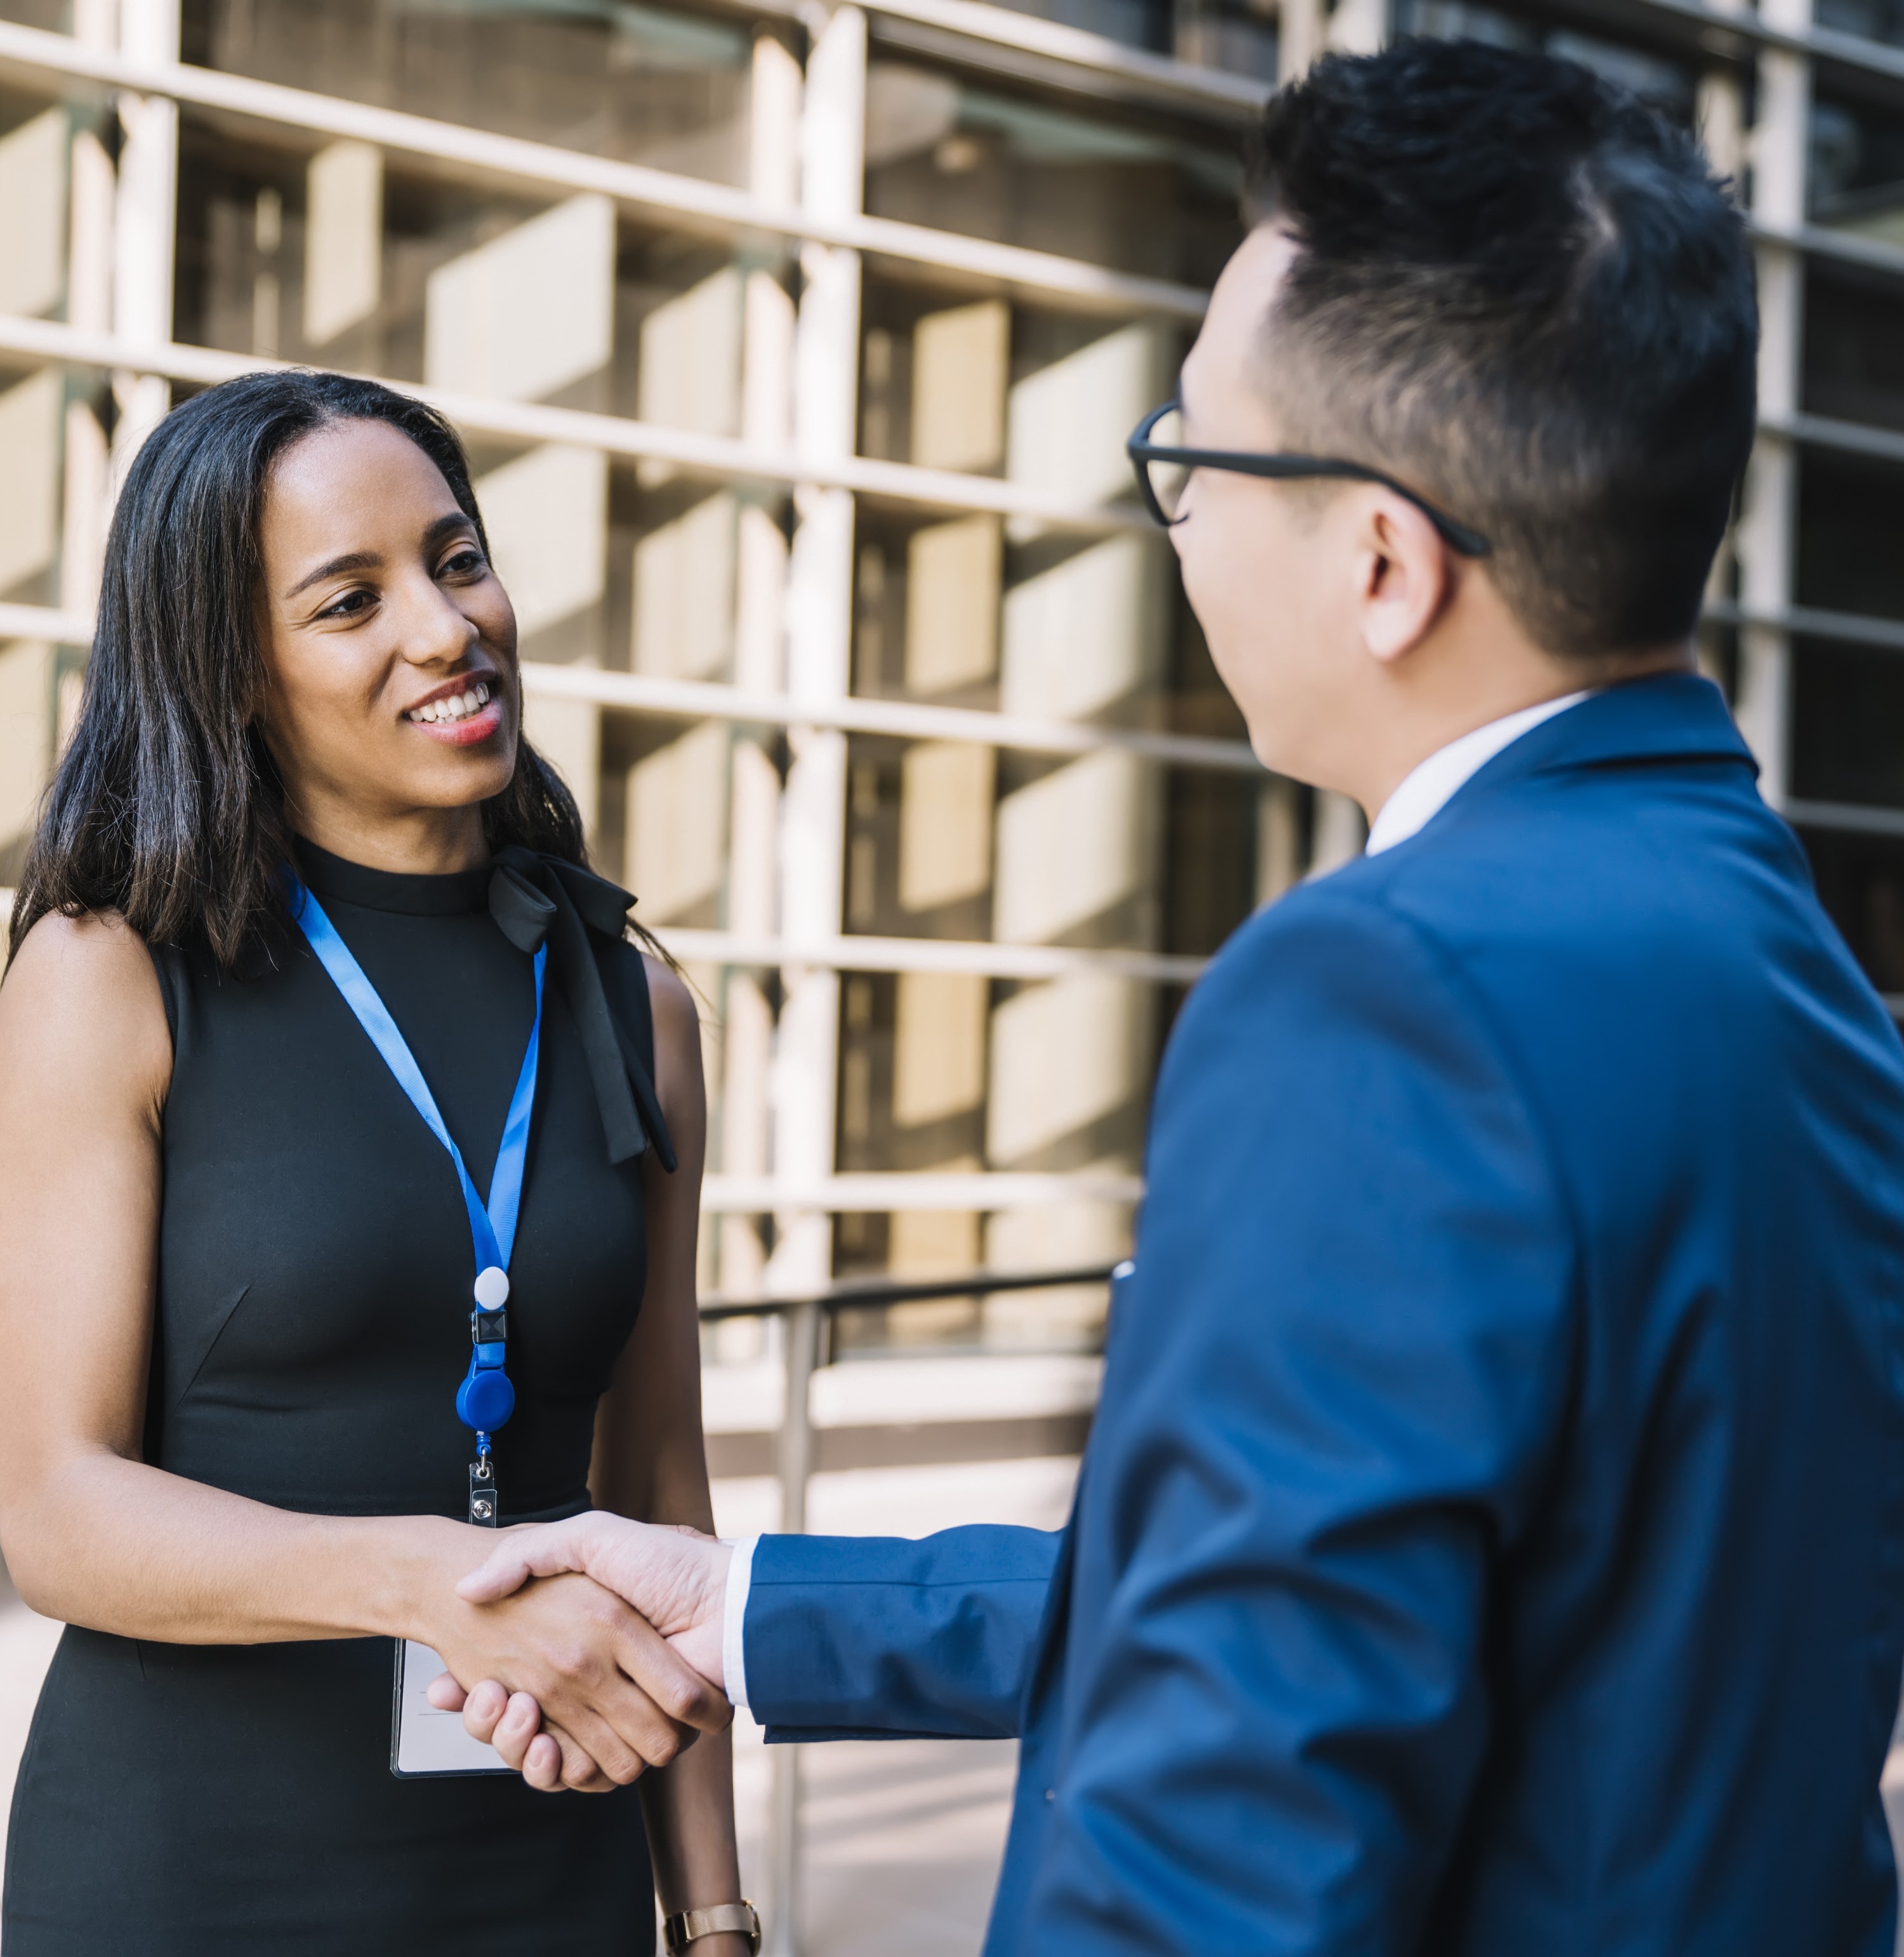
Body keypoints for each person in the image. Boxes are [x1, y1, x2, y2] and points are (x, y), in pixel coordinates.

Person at [441, 39, 1904, 1957]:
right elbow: (1401, 1601)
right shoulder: (1795, 971)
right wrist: (751, 1602)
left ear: (1384, 559)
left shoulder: (1386, 997)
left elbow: (1224, 1827)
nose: (1178, 517)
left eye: (1192, 461)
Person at [0, 370, 753, 1954]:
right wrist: (427, 1578)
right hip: (188, 1874)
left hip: (552, 1871)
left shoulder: (640, 1004)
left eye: (456, 558)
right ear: (236, 671)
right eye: (351, 600)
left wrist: (718, 1913)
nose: (443, 627)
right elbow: (53, 1511)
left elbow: (658, 1484)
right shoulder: (111, 972)